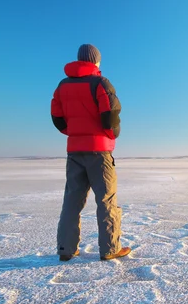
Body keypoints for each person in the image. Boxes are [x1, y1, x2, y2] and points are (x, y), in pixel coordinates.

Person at [51, 44, 131, 261]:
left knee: (71, 200)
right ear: (96, 61)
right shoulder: (100, 82)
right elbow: (111, 116)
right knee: (106, 200)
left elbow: (57, 118)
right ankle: (110, 248)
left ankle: (66, 249)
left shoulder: (62, 86)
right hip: (99, 152)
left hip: (75, 152)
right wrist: (109, 136)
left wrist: (75, 133)